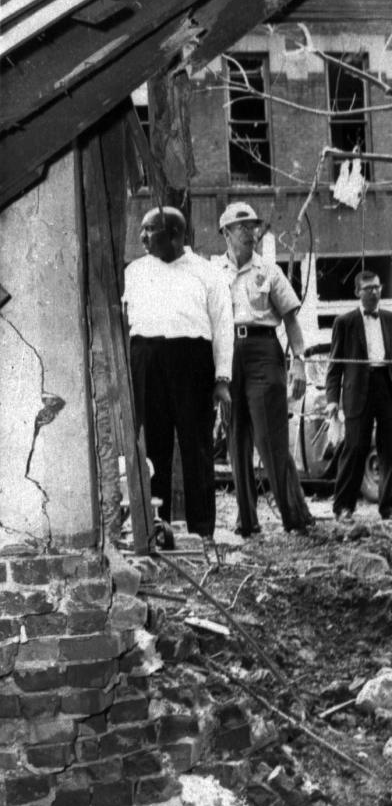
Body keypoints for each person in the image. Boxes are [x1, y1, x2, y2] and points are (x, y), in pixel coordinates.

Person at [123, 206, 233, 558]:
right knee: (153, 449)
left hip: (192, 362)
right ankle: (157, 528)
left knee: (196, 446)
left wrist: (222, 378)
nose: (142, 237)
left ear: (174, 234)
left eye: (149, 230)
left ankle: (203, 532)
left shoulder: (207, 272)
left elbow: (223, 325)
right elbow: (125, 322)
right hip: (147, 360)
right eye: (141, 230)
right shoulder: (134, 272)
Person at [212, 202, 314, 537]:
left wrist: (299, 362)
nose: (249, 232)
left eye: (253, 226)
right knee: (235, 436)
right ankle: (247, 521)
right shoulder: (213, 272)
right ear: (225, 232)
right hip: (227, 353)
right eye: (241, 226)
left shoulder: (269, 271)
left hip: (263, 351)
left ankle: (295, 517)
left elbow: (291, 319)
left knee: (271, 436)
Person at [325, 270, 392, 522]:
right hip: (358, 391)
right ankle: (343, 507)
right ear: (357, 293)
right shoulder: (345, 322)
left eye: (377, 287)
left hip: (388, 387)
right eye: (368, 288)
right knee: (354, 448)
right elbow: (335, 366)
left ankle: (388, 506)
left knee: (390, 449)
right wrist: (332, 401)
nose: (374, 292)